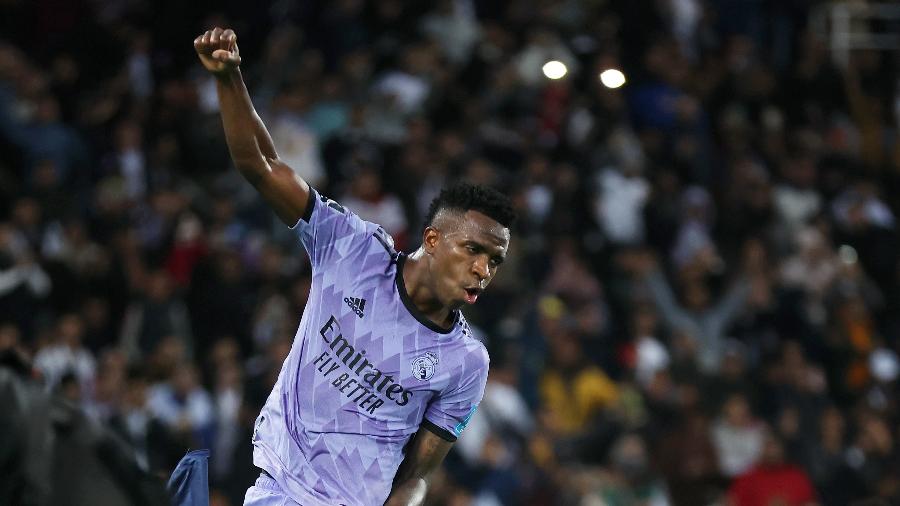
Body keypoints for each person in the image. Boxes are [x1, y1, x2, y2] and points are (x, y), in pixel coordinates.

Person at [193, 28, 515, 506]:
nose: (483, 269)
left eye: (494, 261)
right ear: (432, 239)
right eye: (473, 250)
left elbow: (416, 476)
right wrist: (229, 77)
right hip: (277, 485)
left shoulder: (466, 363)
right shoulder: (353, 248)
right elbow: (261, 164)